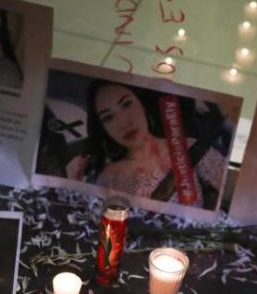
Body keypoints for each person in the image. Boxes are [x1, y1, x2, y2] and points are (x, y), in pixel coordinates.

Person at [66, 81, 227, 209]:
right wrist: (73, 183)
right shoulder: (108, 178)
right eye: (108, 118)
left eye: (127, 104)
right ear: (103, 128)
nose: (123, 123)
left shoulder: (189, 149)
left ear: (142, 103)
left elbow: (230, 200)